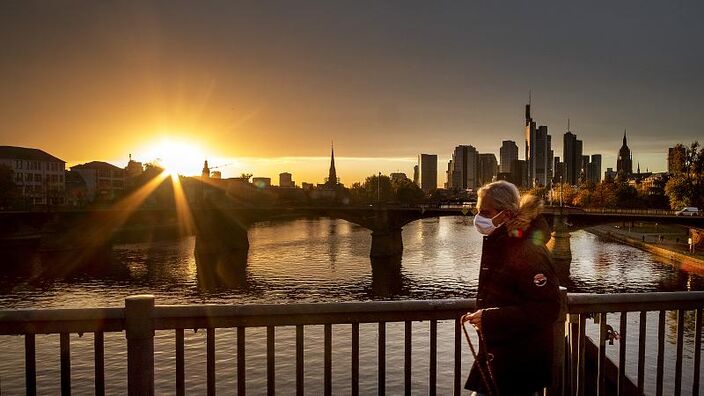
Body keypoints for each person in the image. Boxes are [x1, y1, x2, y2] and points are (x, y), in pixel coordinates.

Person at [462, 181, 560, 396]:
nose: (478, 218)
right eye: (478, 211)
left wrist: (490, 318)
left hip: (518, 364)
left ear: (506, 215)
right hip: (502, 357)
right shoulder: (503, 241)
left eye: (485, 212)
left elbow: (547, 308)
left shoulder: (527, 250)